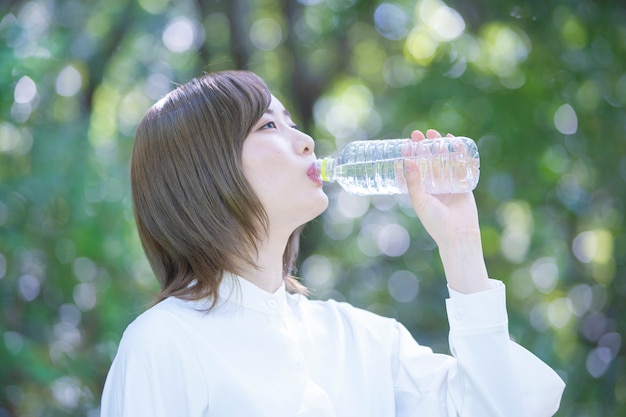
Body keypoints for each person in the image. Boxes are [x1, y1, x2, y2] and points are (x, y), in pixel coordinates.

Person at [100, 70, 565, 416]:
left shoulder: (358, 337)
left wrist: (461, 243)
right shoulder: (164, 342)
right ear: (202, 172)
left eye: (292, 122)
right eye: (268, 127)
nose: (305, 141)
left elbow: (494, 407)